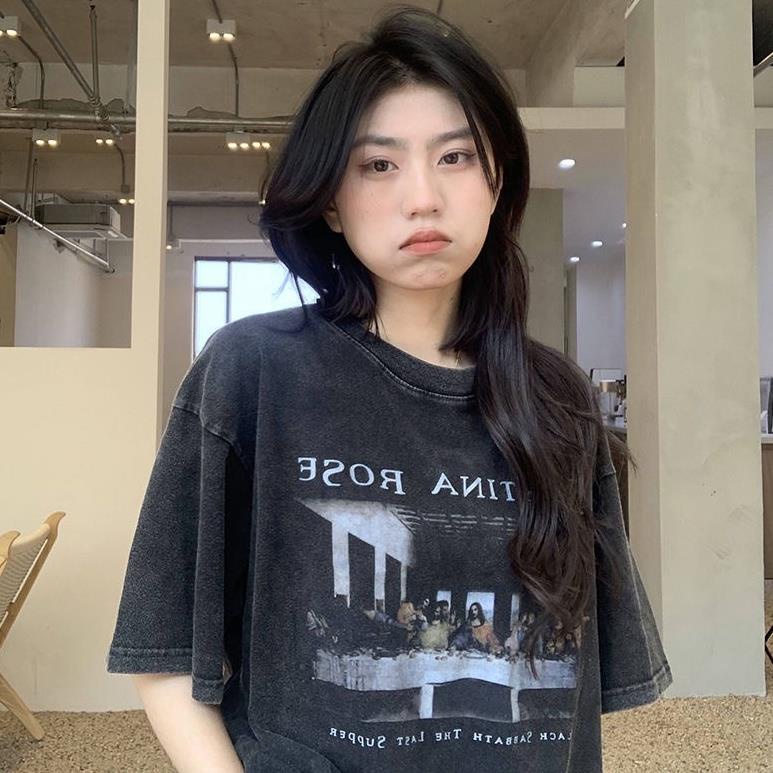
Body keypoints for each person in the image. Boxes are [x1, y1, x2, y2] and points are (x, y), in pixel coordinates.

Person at [106, 7, 672, 772]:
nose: (422, 197)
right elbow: (165, 645)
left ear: (496, 181)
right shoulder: (254, 370)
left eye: (455, 157)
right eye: (378, 164)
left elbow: (572, 692)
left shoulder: (557, 398)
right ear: (330, 200)